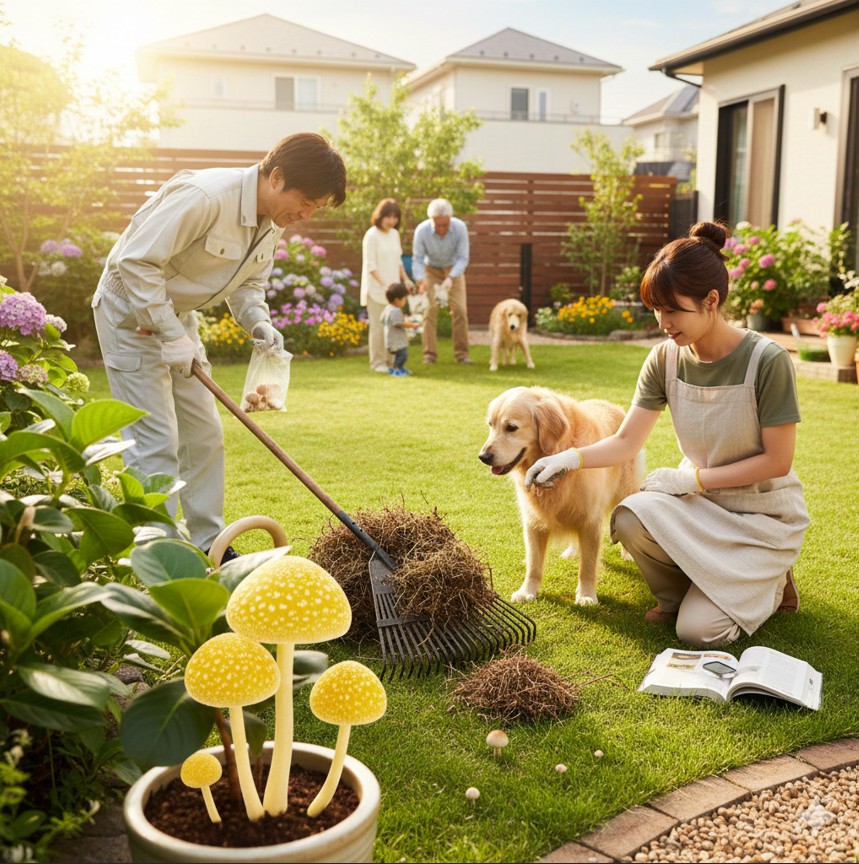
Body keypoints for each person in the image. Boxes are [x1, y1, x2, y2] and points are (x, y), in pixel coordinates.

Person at [524, 220, 809, 648]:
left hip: (761, 513)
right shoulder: (664, 359)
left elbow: (777, 461)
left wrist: (691, 479)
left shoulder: (767, 361)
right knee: (630, 515)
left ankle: (771, 584)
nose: (662, 322)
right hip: (700, 507)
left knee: (699, 633)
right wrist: (569, 458)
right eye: (655, 309)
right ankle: (680, 594)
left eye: (672, 309)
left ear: (711, 301)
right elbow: (625, 442)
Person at [91, 132, 347, 559]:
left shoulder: (272, 221)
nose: (305, 215)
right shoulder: (206, 196)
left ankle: (209, 544)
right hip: (128, 314)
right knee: (155, 440)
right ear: (278, 177)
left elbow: (249, 284)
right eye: (307, 203)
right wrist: (171, 335)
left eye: (314, 209)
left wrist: (259, 323)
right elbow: (134, 261)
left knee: (205, 433)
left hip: (176, 318)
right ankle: (164, 554)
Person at [411, 198, 472, 364]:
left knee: (459, 310)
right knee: (429, 311)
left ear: (450, 219)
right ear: (432, 220)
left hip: (454, 269)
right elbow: (417, 259)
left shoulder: (460, 228)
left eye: (445, 225)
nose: (442, 229)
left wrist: (451, 277)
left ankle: (462, 354)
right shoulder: (421, 230)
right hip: (430, 270)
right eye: (438, 225)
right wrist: (420, 280)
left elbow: (463, 257)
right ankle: (429, 354)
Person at [360, 198, 415, 373]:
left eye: (395, 217)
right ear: (380, 216)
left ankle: (393, 361)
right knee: (378, 327)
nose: (392, 221)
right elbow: (370, 265)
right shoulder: (371, 235)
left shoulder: (394, 235)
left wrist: (405, 279)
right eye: (388, 217)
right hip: (377, 289)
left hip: (394, 291)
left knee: (393, 326)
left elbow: (398, 261)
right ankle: (378, 362)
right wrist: (384, 285)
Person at [380, 283, 419, 376]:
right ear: (397, 299)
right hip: (396, 342)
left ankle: (399, 368)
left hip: (389, 340)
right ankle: (396, 369)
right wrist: (412, 325)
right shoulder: (395, 310)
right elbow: (399, 323)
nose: (405, 301)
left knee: (399, 355)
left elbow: (381, 319)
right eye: (404, 299)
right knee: (403, 355)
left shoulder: (387, 308)